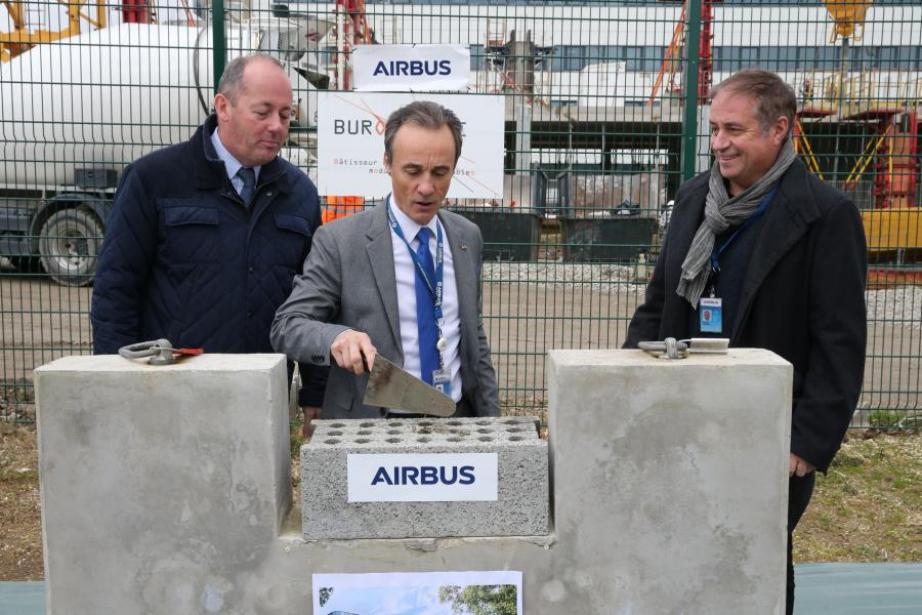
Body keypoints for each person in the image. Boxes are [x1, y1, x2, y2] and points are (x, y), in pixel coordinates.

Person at [623, 69, 866, 615]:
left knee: (753, 559)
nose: (719, 144)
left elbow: (841, 342)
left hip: (770, 435)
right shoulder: (693, 200)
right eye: (713, 129)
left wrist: (806, 442)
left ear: (779, 130)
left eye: (733, 129)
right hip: (682, 417)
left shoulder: (826, 217)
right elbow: (658, 306)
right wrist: (625, 393)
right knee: (678, 548)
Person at [91, 53, 326, 409]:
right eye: (262, 113)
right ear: (223, 106)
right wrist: (114, 387)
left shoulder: (299, 195)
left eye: (285, 114)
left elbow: (314, 303)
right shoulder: (155, 180)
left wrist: (315, 396)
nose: (277, 126)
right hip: (168, 393)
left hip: (260, 397)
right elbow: (116, 290)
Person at [271, 100, 500, 420]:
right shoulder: (340, 242)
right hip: (375, 425)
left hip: (456, 419)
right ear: (387, 163)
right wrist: (336, 337)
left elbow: (473, 339)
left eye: (440, 172)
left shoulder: (466, 237)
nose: (426, 187)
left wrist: (493, 425)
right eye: (413, 170)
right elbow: (288, 326)